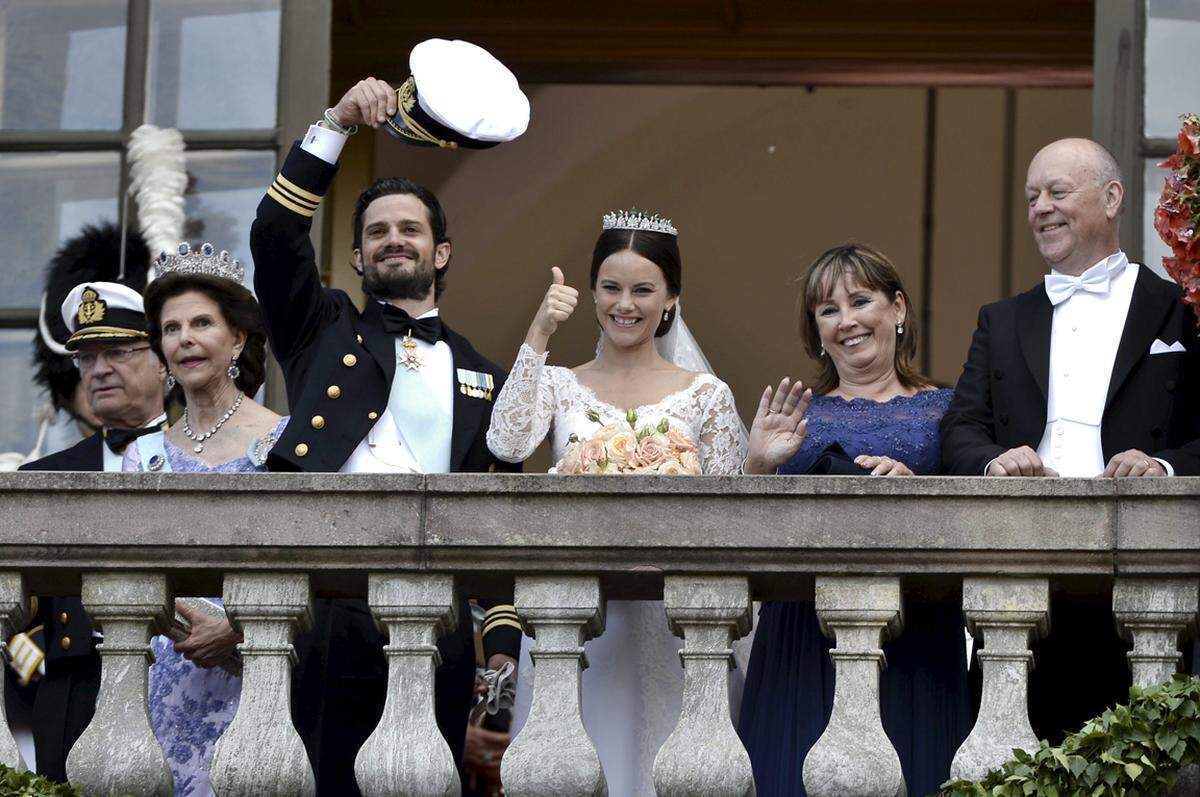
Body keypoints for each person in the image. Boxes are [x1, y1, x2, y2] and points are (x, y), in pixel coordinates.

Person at [249, 59, 527, 795]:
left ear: (441, 253)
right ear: (358, 255)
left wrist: (498, 665)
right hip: (329, 607)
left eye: (410, 229)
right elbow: (276, 234)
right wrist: (336, 126)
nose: (392, 239)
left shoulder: (484, 373)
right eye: (377, 232)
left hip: (438, 619)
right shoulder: (321, 327)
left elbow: (502, 529)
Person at [940, 137, 1200, 741]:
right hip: (1025, 576)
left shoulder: (1181, 309)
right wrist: (995, 461)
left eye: (1057, 191)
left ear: (1112, 199)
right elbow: (960, 428)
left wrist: (1162, 465)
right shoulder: (1001, 320)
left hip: (1144, 577)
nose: (1040, 208)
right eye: (1032, 197)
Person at [486, 209, 746, 796]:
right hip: (574, 618)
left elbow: (728, 513)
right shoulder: (559, 383)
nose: (624, 304)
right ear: (592, 292)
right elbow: (505, 441)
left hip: (668, 622)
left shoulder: (707, 394)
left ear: (671, 298)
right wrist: (539, 333)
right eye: (610, 287)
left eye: (642, 289)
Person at [739, 243, 971, 797]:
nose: (847, 321)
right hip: (801, 637)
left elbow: (975, 519)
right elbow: (744, 538)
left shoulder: (950, 408)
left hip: (915, 635)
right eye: (828, 310)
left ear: (898, 308)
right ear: (815, 330)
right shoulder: (795, 416)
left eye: (860, 300)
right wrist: (758, 465)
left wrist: (919, 491)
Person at [119, 243, 280, 796]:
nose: (184, 338)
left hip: (253, 673)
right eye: (171, 328)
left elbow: (304, 574)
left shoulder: (283, 444)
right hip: (158, 677)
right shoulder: (143, 456)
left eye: (202, 323)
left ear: (236, 337)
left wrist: (238, 633)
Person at [16, 281, 166, 783]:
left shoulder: (208, 456)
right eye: (86, 357)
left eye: (119, 351)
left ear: (163, 360)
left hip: (188, 673)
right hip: (75, 685)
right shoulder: (42, 479)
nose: (99, 369)